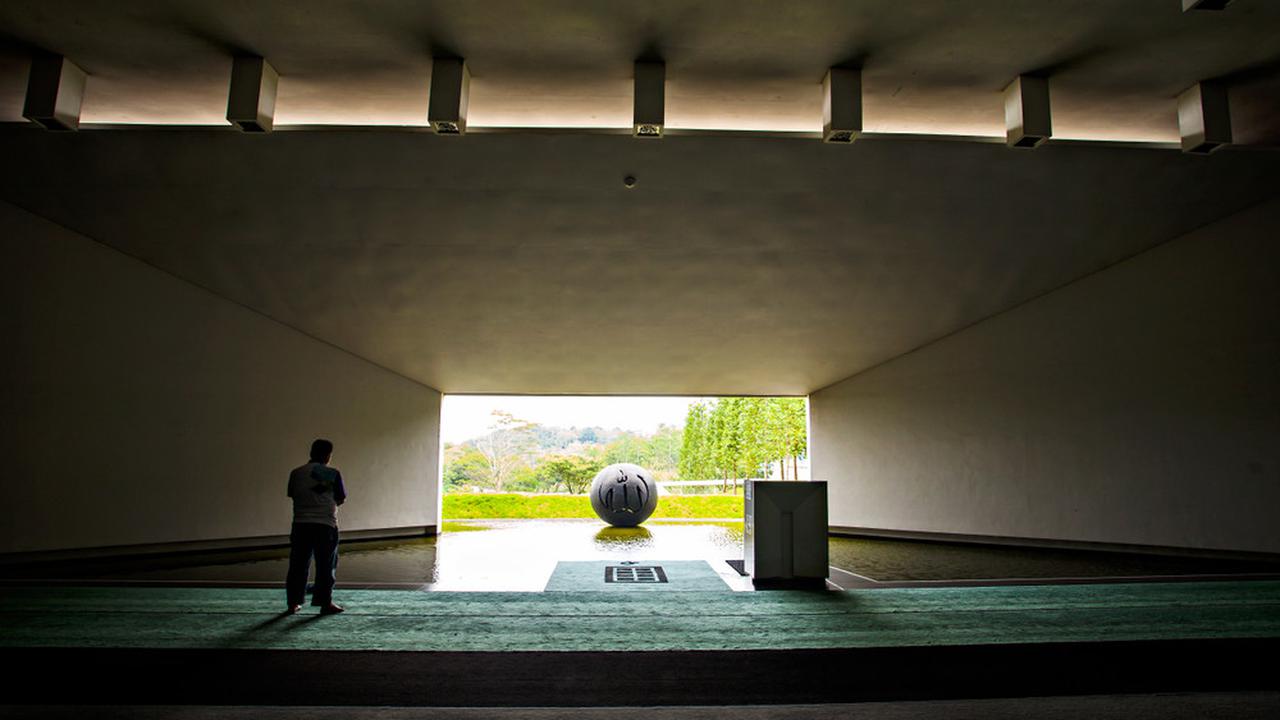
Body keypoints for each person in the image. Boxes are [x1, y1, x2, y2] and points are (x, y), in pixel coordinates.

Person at [285, 438, 347, 615]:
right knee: (326, 565)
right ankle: (324, 603)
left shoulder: (296, 473)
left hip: (300, 524)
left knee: (297, 564)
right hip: (325, 525)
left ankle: (293, 603)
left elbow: (292, 494)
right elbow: (341, 498)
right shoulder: (332, 473)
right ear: (328, 455)